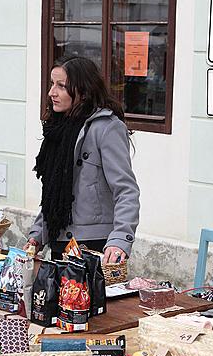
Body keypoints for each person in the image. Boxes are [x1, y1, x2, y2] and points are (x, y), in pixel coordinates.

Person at [27, 56, 140, 263]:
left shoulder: (107, 128)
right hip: (58, 240)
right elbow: (52, 195)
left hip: (93, 244)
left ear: (83, 90)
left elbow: (126, 190)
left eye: (61, 86)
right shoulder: (57, 129)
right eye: (52, 84)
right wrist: (36, 236)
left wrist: (120, 240)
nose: (52, 92)